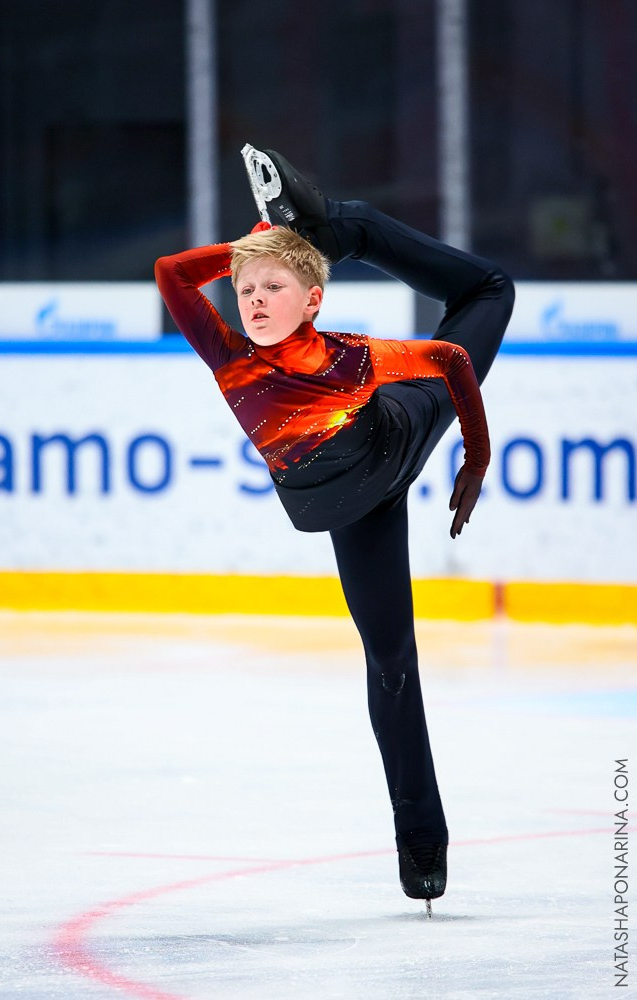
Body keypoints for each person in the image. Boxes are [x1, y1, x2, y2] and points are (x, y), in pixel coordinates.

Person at [154, 146, 515, 912]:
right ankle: (420, 838)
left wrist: (474, 459)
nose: (250, 298)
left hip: (397, 429)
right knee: (389, 658)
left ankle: (336, 229)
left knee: (488, 289)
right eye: (244, 288)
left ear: (312, 300)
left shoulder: (353, 358)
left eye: (272, 284)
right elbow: (172, 275)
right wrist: (259, 248)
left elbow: (450, 355)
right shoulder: (225, 357)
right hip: (360, 506)